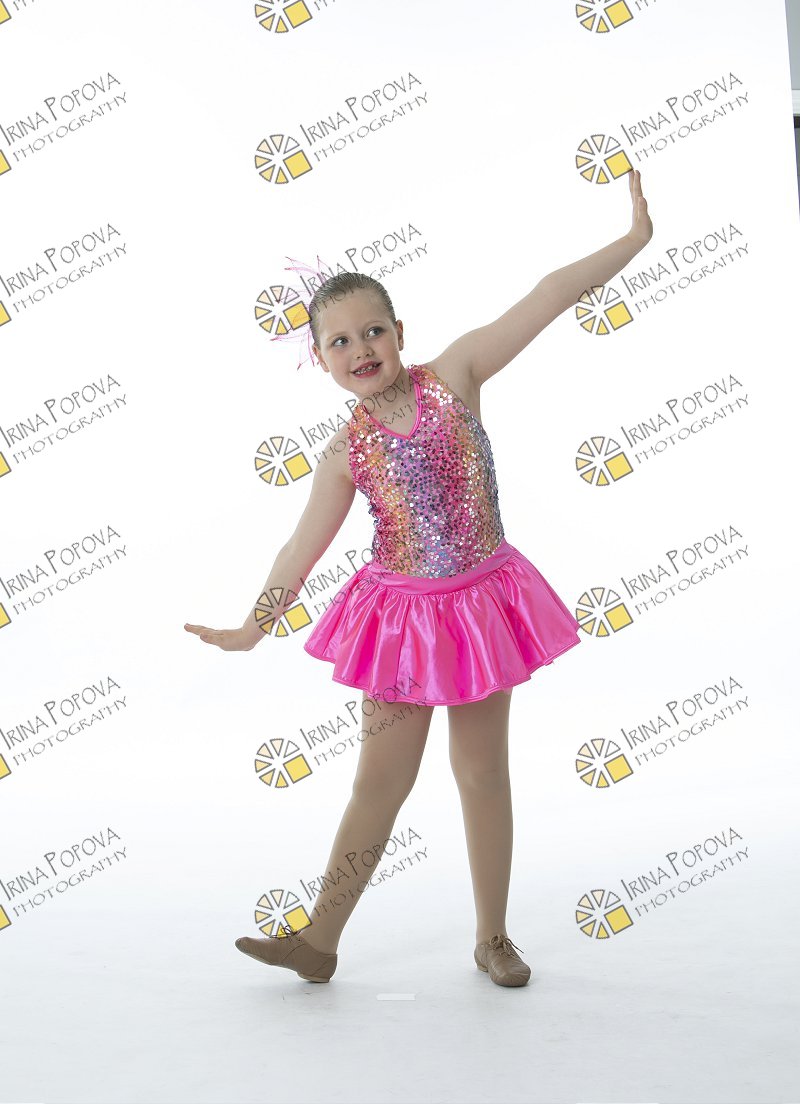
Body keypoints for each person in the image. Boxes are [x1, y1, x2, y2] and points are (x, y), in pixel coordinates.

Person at [185, 168, 653, 988]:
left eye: (373, 331)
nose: (360, 349)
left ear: (400, 331)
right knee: (379, 783)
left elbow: (548, 295)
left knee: (481, 774)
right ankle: (318, 941)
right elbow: (300, 550)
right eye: (340, 342)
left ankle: (492, 937)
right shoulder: (344, 452)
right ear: (320, 360)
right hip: (401, 623)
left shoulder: (459, 373)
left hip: (479, 609)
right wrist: (254, 625)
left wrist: (634, 238)